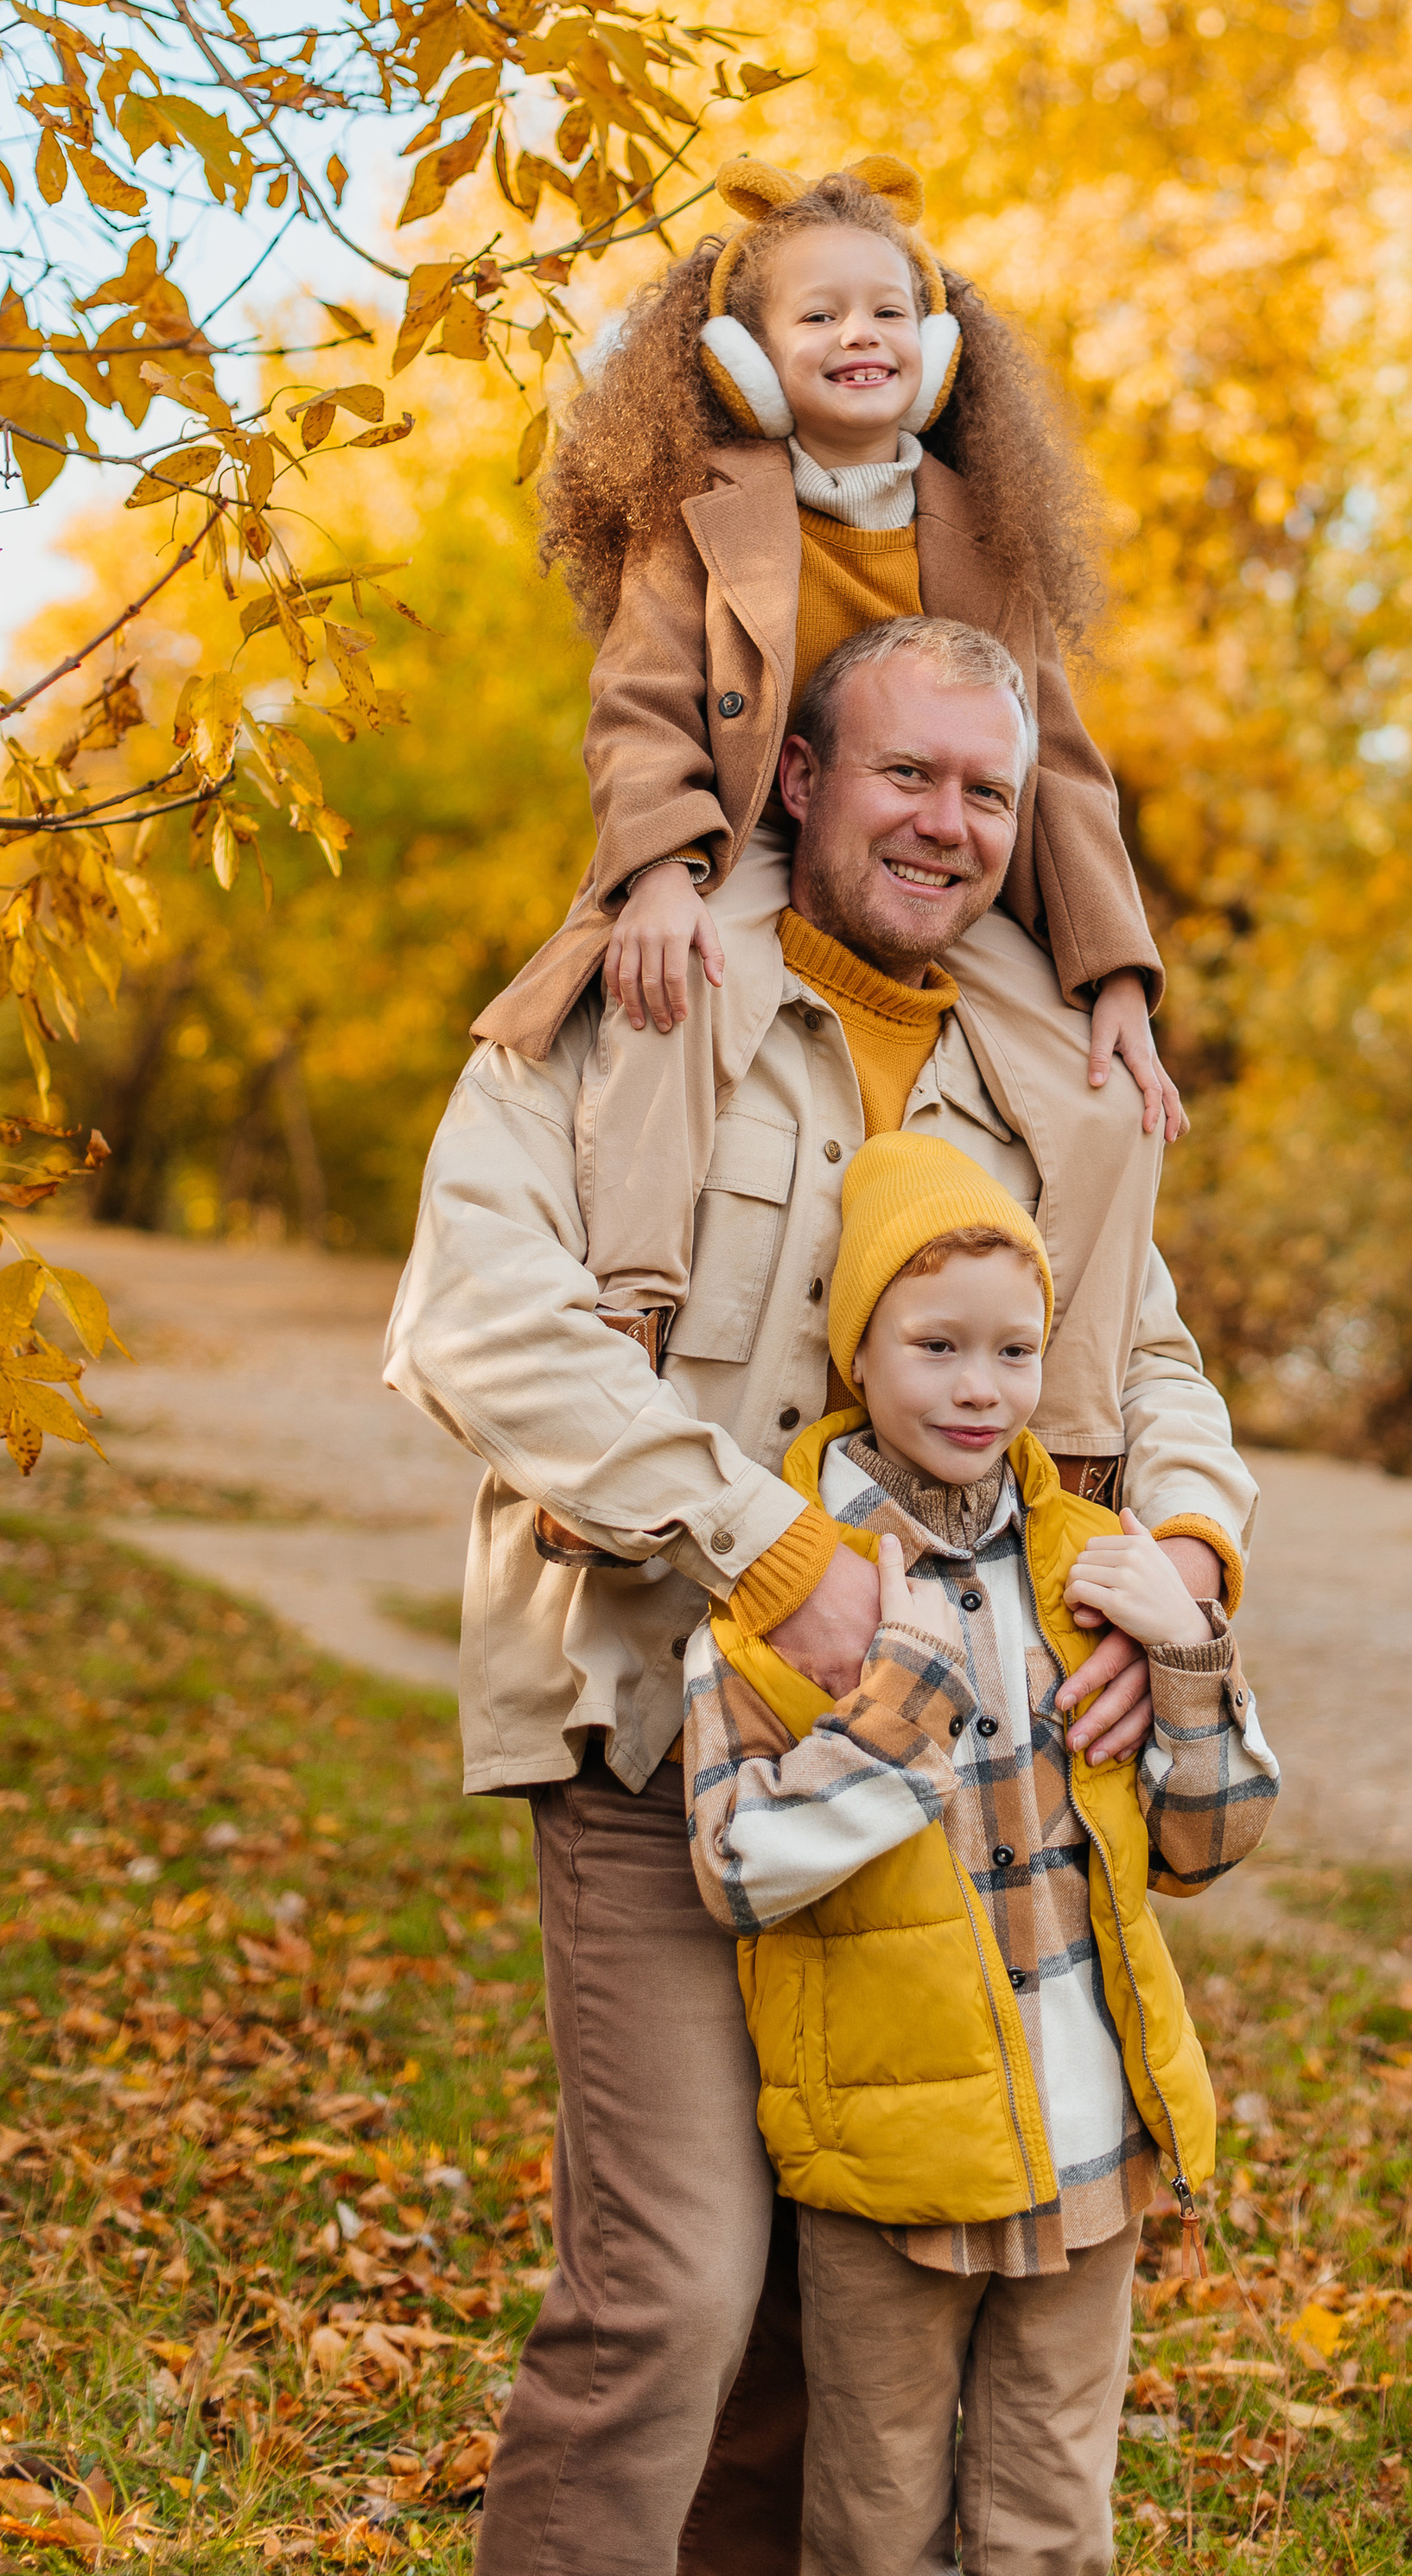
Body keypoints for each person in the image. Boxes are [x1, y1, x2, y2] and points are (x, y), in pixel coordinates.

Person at [384, 618, 1254, 2576]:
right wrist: (760, 1547)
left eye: (985, 792)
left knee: (827, 2294)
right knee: (680, 2288)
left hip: (945, 1791)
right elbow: (475, 1320)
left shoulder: (1040, 1068)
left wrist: (1178, 1557)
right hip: (661, 1742)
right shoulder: (649, 985)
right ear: (796, 775)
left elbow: (1152, 1354)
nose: (944, 824)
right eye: (903, 773)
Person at [473, 152, 1181, 1382]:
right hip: (750, 837)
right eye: (820, 313)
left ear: (941, 347)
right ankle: (628, 1315)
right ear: (746, 359)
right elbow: (640, 703)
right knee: (669, 994)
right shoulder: (699, 510)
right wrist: (657, 877)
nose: (861, 333)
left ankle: (1075, 1425)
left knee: (1109, 1098)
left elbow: (1059, 764)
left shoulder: (986, 528)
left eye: (890, 311)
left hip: (932, 865)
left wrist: (1114, 974)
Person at [684, 1131, 1275, 2576]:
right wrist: (901, 1699)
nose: (977, 1384)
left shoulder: (1087, 1561)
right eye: (935, 1343)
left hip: (1089, 2144)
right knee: (875, 2515)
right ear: (859, 1352)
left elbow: (1208, 1840)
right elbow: (738, 1866)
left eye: (1015, 1349)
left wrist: (1188, 1650)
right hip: (889, 2157)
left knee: (1053, 2511)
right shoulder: (795, 1593)